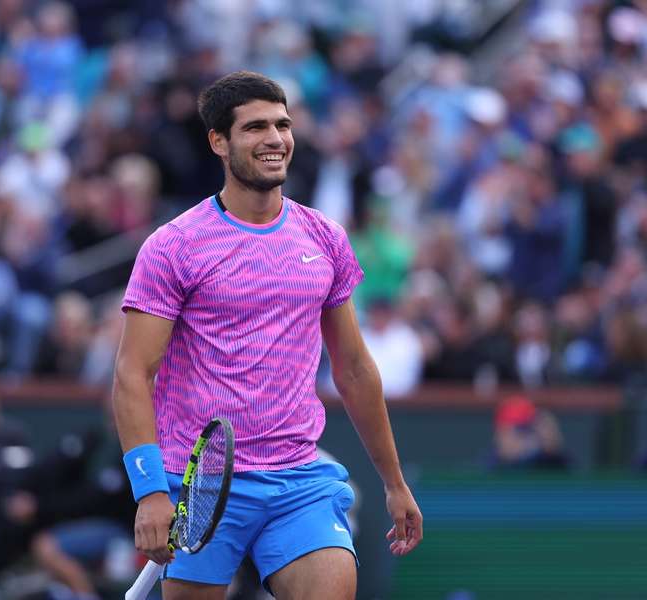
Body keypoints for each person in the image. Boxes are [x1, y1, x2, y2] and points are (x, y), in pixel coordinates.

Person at [113, 71, 422, 600]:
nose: (276, 139)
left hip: (299, 478)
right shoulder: (174, 246)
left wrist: (393, 482)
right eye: (256, 127)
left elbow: (353, 368)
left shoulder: (324, 237)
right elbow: (132, 374)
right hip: (201, 485)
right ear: (219, 141)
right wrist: (149, 492)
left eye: (283, 124)